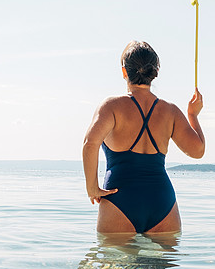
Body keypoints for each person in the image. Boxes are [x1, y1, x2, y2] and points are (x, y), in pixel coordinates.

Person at [82, 41, 205, 234]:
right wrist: (193, 116)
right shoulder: (170, 111)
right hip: (162, 200)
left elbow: (90, 144)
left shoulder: (111, 106)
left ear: (124, 72)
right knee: (160, 264)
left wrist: (92, 188)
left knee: (114, 263)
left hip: (119, 199)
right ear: (156, 71)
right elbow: (197, 151)